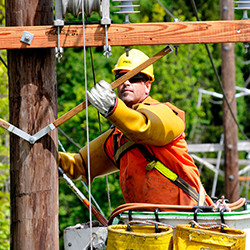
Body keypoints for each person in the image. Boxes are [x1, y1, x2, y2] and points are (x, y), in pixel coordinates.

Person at [59, 49, 214, 207]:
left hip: (184, 215)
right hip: (146, 223)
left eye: (134, 78)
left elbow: (142, 128)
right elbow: (82, 165)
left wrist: (113, 108)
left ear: (147, 86)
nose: (126, 83)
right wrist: (51, 159)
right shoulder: (117, 137)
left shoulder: (166, 114)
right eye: (120, 78)